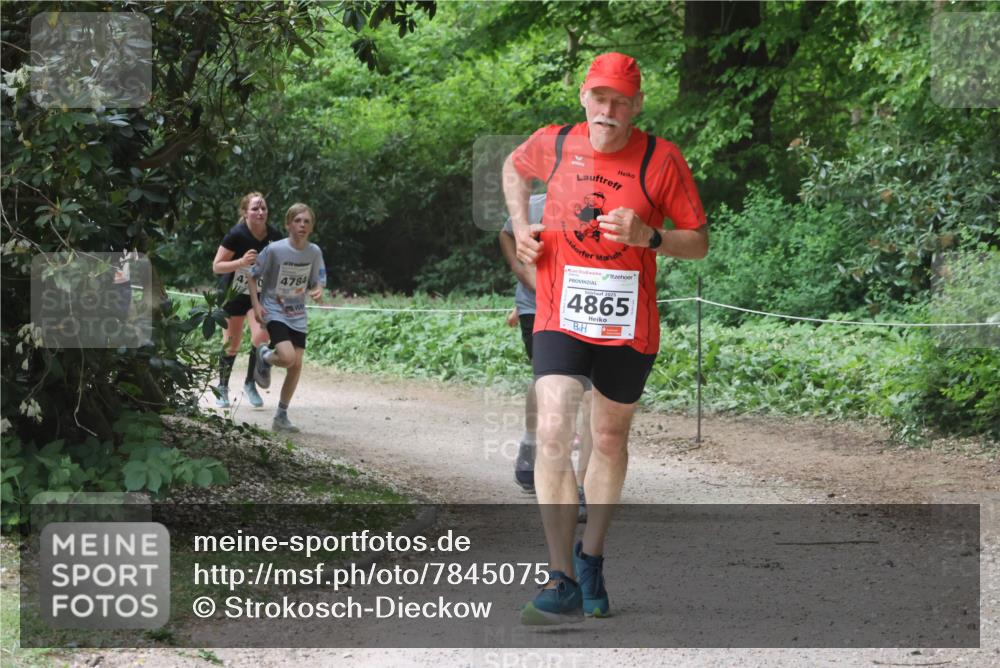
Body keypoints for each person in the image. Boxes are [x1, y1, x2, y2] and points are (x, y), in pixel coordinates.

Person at [502, 52, 709, 625]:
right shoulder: (555, 142)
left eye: (620, 100)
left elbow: (698, 241)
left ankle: (590, 559)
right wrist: (522, 227)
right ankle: (560, 576)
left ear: (636, 105)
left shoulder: (662, 160)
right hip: (560, 313)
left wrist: (651, 236)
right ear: (584, 98)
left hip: (626, 323)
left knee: (610, 440)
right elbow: (513, 169)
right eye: (600, 97)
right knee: (552, 429)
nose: (608, 110)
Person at [498, 193, 593, 522]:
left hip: (588, 309)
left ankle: (582, 487)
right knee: (548, 384)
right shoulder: (534, 204)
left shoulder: (603, 200)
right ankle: (529, 448)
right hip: (538, 307)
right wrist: (522, 271)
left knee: (592, 392)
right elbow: (507, 232)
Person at [248, 203, 326, 433]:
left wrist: (318, 289)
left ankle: (281, 415)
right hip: (274, 310)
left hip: (298, 314)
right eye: (297, 221)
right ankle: (264, 354)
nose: (302, 225)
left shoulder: (314, 252)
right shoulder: (274, 250)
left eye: (306, 222)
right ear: (288, 224)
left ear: (311, 227)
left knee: (295, 365)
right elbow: (253, 276)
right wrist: (256, 303)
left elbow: (317, 279)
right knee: (287, 357)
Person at [211, 192, 283, 409]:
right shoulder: (236, 235)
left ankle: (250, 383)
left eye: (263, 209)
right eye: (255, 209)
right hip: (233, 294)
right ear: (245, 212)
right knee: (232, 345)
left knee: (261, 335)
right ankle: (222, 387)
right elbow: (216, 266)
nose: (260, 212)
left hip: (259, 295)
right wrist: (241, 262)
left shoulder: (275, 235)